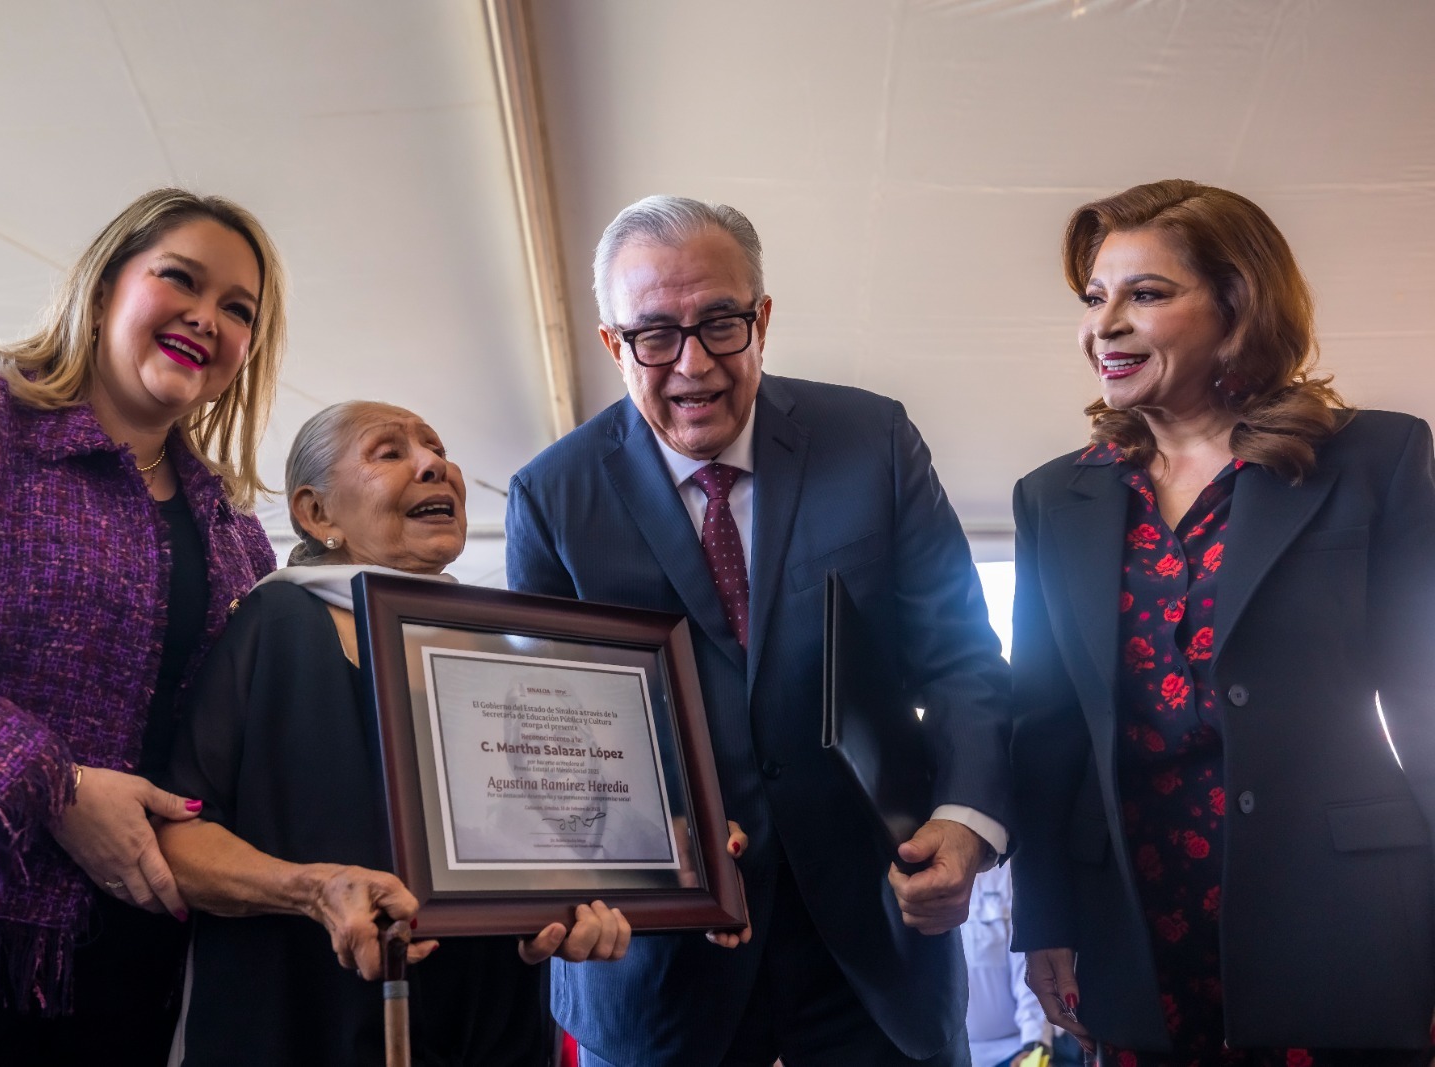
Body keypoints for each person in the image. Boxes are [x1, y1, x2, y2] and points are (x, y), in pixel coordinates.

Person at [506, 195, 1013, 1066]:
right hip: (665, 967)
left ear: (764, 317)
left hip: (874, 944)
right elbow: (554, 735)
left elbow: (963, 660)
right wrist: (658, 846)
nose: (692, 364)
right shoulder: (551, 496)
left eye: (721, 323)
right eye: (655, 335)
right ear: (610, 344)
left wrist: (966, 822)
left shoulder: (874, 440)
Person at [0, 188, 287, 1064]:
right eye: (181, 280)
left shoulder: (238, 535)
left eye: (239, 311)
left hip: (132, 968)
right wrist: (54, 786)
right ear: (106, 282)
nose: (208, 318)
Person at [1008, 179, 1435, 1065]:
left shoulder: (1373, 460)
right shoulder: (1056, 496)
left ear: (1238, 305)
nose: (1105, 323)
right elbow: (1044, 728)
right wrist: (1042, 918)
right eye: (1094, 298)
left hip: (1341, 911)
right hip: (1133, 912)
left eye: (1147, 294)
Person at [157, 400, 636, 1067]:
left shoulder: (499, 653)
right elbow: (176, 836)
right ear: (317, 513)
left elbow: (540, 842)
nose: (434, 463)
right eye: (389, 451)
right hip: (309, 1024)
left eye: (436, 447)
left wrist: (563, 907)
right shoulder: (276, 624)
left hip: (490, 1029)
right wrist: (312, 889)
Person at [963, 865, 1051, 1067]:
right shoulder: (908, 874)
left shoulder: (1013, 874)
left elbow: (1029, 969)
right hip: (942, 1052)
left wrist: (1034, 1045)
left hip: (1012, 1050)